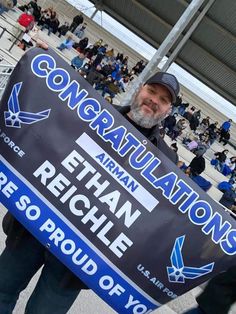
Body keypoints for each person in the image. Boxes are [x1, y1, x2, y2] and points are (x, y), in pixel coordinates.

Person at [0, 71, 180, 313]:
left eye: (164, 99)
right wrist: (40, 66)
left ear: (168, 111)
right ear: (140, 89)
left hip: (79, 262)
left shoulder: (167, 161)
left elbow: (153, 220)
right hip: (34, 228)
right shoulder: (94, 110)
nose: (154, 100)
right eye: (152, 91)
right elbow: (49, 128)